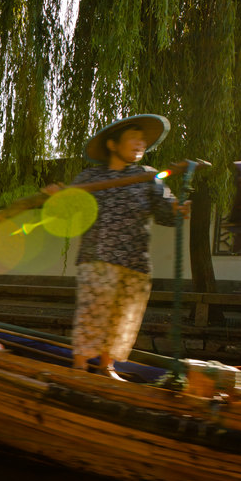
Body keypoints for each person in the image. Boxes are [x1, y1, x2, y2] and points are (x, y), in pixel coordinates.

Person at [59, 114, 189, 380]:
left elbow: (166, 214)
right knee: (93, 313)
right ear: (112, 145)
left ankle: (107, 366)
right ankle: (81, 366)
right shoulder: (91, 177)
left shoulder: (148, 176)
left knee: (123, 318)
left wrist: (178, 210)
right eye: (133, 138)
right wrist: (58, 197)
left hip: (135, 259)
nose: (140, 143)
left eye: (143, 140)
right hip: (98, 256)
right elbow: (67, 211)